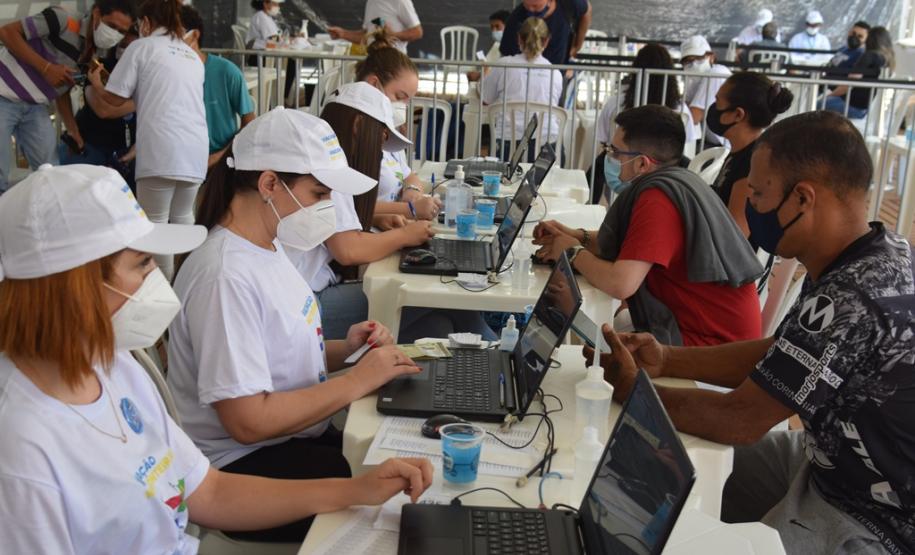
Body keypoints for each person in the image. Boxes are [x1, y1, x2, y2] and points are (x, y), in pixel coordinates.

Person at [0, 163, 434, 553]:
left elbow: (208, 493)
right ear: (75, 286)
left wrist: (357, 490)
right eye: (143, 263)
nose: (158, 279)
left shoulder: (112, 366)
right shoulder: (21, 446)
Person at [593, 110, 915, 555]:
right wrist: (665, 359)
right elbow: (785, 353)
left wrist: (636, 391)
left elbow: (739, 419)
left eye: (759, 194)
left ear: (802, 199)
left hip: (875, 516)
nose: (751, 208)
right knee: (656, 465)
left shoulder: (853, 297)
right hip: (823, 460)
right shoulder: (878, 249)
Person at [167, 108, 426, 543]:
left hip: (284, 441)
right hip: (240, 466)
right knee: (392, 519)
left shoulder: (268, 245)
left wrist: (347, 349)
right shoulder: (225, 274)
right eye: (319, 193)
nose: (328, 208)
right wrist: (358, 381)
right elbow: (247, 420)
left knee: (394, 459)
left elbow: (266, 352)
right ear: (269, 184)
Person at [533, 105, 763, 347]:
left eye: (614, 151)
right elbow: (631, 244)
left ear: (641, 164)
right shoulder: (677, 180)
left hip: (712, 344)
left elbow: (620, 284)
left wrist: (572, 251)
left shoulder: (658, 200)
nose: (609, 158)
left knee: (579, 329)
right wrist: (574, 236)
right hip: (702, 327)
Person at [88, 0, 207, 281]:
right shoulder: (191, 56)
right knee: (183, 222)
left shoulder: (141, 48)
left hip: (161, 150)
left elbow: (115, 98)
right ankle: (186, 289)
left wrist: (95, 83)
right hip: (194, 150)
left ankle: (164, 300)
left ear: (146, 22)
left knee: (155, 229)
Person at [0, 0, 134, 193]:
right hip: (3, 96)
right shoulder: (62, 18)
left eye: (121, 31)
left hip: (36, 106)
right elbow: (6, 32)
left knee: (50, 173)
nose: (115, 34)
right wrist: (45, 68)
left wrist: (73, 129)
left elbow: (61, 89)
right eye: (111, 26)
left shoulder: (94, 51)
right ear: (96, 14)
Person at [595, 42, 697, 202]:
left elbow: (603, 142)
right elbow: (688, 151)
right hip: (666, 188)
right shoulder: (682, 110)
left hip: (619, 182)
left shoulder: (615, 103)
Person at [355, 45, 442, 221]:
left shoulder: (387, 130)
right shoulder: (352, 134)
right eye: (399, 96)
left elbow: (409, 175)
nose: (403, 106)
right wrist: (411, 209)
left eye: (407, 101)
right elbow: (350, 207)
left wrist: (412, 191)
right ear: (373, 85)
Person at [709, 72, 794, 238]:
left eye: (718, 101)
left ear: (738, 115)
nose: (713, 107)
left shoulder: (753, 163)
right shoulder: (742, 153)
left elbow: (735, 236)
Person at [60, 26, 138, 190]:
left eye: (131, 46)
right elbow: (104, 110)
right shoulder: (100, 67)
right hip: (87, 147)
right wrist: (141, 101)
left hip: (125, 155)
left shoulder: (145, 76)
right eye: (122, 45)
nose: (125, 50)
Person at [180, 5, 256, 168]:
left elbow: (249, 122)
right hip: (181, 160)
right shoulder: (166, 75)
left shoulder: (226, 72)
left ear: (194, 35)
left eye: (175, 35)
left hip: (221, 160)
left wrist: (219, 157)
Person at [483, 17, 563, 163]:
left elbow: (486, 98)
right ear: (546, 41)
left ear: (519, 38)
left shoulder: (503, 65)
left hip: (508, 145)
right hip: (548, 146)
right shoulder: (555, 73)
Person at [824, 26, 895, 119]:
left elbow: (849, 84)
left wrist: (829, 96)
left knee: (814, 106)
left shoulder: (868, 56)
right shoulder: (888, 60)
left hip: (854, 107)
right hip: (867, 109)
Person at [499, 0, 592, 65]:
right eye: (527, 6)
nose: (531, 10)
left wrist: (577, 46)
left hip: (557, 72)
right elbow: (507, 57)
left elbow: (587, 11)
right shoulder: (516, 19)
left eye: (536, 6)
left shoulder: (568, 4)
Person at [680, 35, 732, 147]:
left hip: (723, 146)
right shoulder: (695, 79)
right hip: (711, 142)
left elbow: (693, 117)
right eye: (688, 61)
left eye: (699, 58)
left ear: (711, 56)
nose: (693, 64)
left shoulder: (717, 74)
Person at [327, 0, 423, 54]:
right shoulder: (371, 2)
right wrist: (343, 34)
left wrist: (393, 35)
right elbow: (367, 36)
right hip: (372, 61)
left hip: (393, 64)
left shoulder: (401, 1)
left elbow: (417, 32)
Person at [468, 10, 511, 82]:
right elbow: (489, 68)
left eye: (497, 26)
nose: (494, 30)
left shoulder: (514, 48)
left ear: (508, 26)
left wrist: (481, 75)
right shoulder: (496, 45)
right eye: (492, 27)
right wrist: (478, 74)